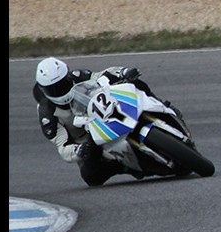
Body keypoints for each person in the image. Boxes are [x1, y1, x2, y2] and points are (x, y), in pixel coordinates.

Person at [32, 56, 158, 186]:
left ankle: (160, 105)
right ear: (43, 89)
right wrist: (79, 150)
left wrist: (123, 72)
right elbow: (63, 147)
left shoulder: (77, 77)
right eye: (52, 89)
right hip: (87, 138)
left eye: (63, 84)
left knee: (133, 82)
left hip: (103, 110)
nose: (59, 90)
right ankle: (126, 167)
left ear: (67, 76)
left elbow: (103, 75)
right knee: (90, 176)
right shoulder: (47, 115)